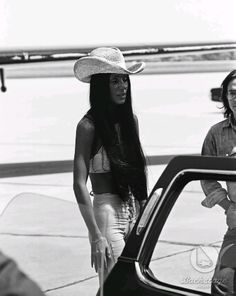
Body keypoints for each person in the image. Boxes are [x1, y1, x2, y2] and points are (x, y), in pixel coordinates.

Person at [73, 47, 148, 287]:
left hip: (133, 211)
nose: (122, 86)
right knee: (119, 286)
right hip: (106, 214)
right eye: (115, 81)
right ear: (101, 86)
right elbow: (78, 183)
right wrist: (95, 235)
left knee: (118, 286)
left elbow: (139, 166)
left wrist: (143, 209)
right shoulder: (88, 126)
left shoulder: (130, 120)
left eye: (124, 80)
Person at [201, 70, 236, 294]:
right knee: (222, 285)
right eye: (232, 93)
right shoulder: (216, 134)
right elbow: (206, 177)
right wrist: (228, 206)